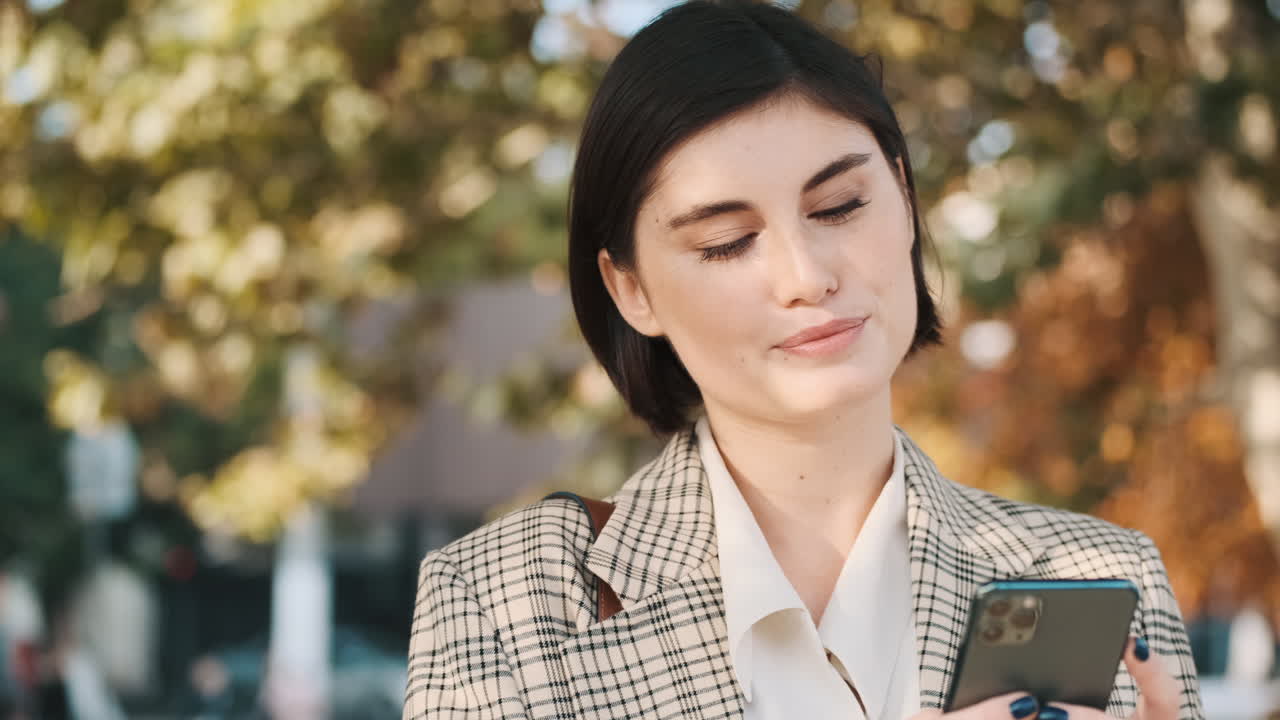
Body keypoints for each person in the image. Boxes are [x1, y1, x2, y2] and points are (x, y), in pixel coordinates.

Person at [403, 2, 1204, 719]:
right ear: (630, 287)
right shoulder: (503, 599)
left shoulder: (1092, 575)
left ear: (902, 196)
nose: (806, 276)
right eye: (726, 243)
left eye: (840, 206)